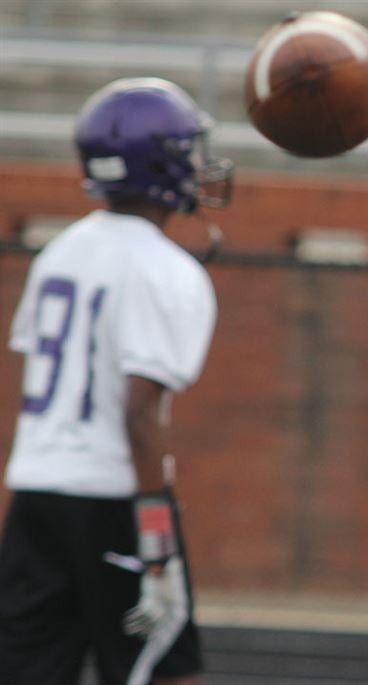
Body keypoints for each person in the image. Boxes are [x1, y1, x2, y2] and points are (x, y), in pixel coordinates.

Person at [0, 77, 231, 685]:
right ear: (160, 160)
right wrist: (157, 549)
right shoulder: (166, 270)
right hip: (115, 502)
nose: (196, 163)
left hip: (35, 495)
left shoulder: (60, 252)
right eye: (186, 149)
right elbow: (137, 415)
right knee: (164, 672)